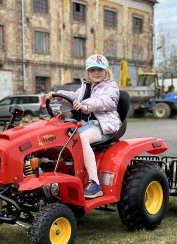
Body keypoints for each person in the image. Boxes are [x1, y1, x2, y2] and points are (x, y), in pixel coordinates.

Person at [46, 54, 121, 199]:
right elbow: (74, 97)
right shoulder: (86, 86)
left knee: (81, 138)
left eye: (99, 69)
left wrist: (85, 105)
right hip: (86, 123)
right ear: (88, 72)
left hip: (104, 124)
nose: (96, 73)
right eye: (92, 70)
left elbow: (105, 101)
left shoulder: (111, 87)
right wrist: (58, 95)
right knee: (59, 133)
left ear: (106, 70)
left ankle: (94, 183)